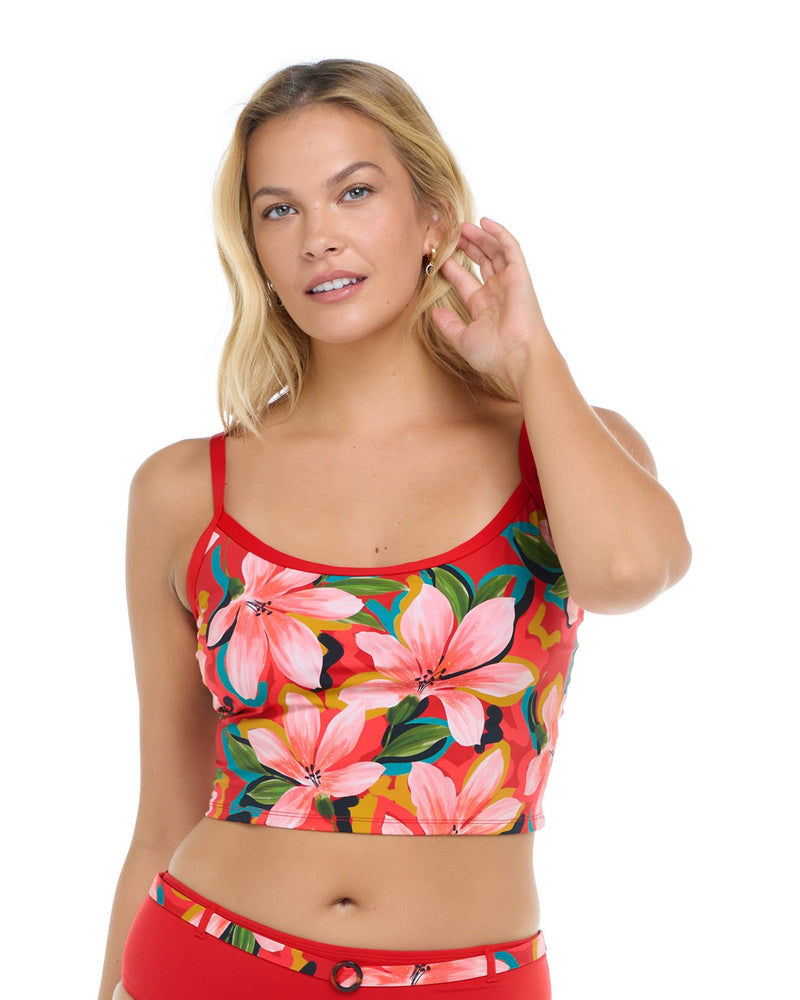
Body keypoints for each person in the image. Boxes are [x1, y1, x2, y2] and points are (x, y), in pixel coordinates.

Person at [99, 59, 691, 999]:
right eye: (279, 210)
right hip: (210, 959)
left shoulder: (561, 448)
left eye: (355, 192)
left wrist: (529, 356)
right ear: (254, 250)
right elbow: (161, 817)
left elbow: (628, 571)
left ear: (432, 219)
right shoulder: (183, 491)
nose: (318, 238)